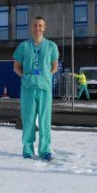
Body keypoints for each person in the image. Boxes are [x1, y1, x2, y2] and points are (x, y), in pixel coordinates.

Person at [13, 16, 59, 161]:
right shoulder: (23, 46)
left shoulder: (51, 46)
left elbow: (55, 66)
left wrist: (44, 76)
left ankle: (45, 151)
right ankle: (27, 150)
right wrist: (26, 77)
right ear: (31, 28)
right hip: (28, 89)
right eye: (35, 25)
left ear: (44, 28)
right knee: (28, 120)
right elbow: (16, 67)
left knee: (45, 120)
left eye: (40, 25)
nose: (37, 28)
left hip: (45, 88)